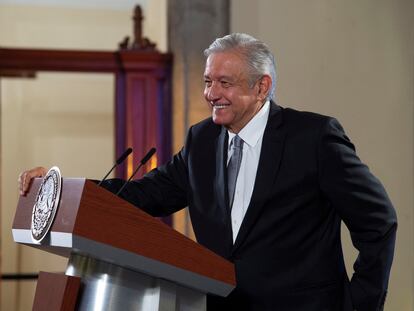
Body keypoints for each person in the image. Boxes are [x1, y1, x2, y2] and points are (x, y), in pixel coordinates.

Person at [19, 33, 397, 311]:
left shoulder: (313, 137)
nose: (210, 93)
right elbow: (146, 194)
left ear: (261, 87)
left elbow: (378, 222)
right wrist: (65, 191)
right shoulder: (202, 140)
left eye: (224, 83)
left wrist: (361, 304)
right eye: (207, 81)